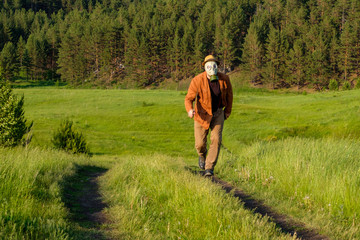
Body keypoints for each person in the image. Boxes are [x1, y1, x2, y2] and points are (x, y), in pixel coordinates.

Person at [185, 55, 233, 176]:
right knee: (200, 144)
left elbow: (229, 96)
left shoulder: (224, 79)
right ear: (205, 68)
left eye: (214, 66)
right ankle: (202, 156)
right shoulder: (197, 80)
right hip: (201, 115)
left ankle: (209, 168)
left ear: (217, 67)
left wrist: (227, 111)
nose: (212, 68)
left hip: (218, 112)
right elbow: (188, 98)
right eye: (209, 66)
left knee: (216, 139)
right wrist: (190, 110)